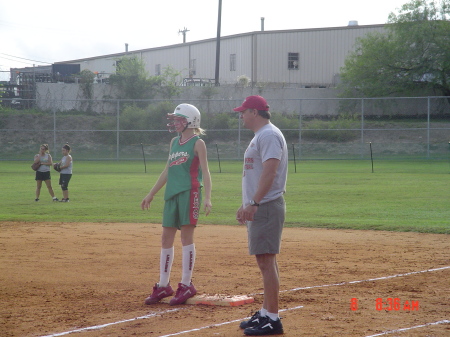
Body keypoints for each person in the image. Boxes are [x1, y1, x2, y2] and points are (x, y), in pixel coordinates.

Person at [141, 103, 212, 306]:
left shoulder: (198, 143)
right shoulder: (174, 142)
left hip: (189, 193)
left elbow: (206, 172)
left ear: (190, 121)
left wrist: (207, 197)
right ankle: (163, 285)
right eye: (175, 119)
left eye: (179, 119)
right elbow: (167, 171)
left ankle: (186, 284)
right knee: (166, 237)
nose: (175, 123)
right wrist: (151, 193)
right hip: (172, 194)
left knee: (186, 237)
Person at [234, 96, 288, 336]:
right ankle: (267, 312)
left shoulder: (268, 135)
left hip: (265, 206)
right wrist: (247, 203)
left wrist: (254, 202)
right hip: (261, 206)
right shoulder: (262, 135)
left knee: (266, 262)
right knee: (265, 261)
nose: (241, 116)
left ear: (254, 112)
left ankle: (273, 319)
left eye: (243, 112)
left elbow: (270, 170)